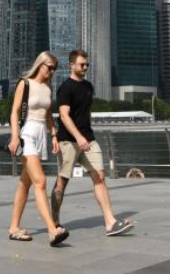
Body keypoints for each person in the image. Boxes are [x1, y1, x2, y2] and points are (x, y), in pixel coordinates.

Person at [51, 50, 135, 236]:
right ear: (71, 65)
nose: (85, 67)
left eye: (87, 64)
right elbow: (63, 115)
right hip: (68, 141)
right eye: (82, 64)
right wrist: (78, 137)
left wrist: (86, 134)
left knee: (99, 176)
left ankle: (110, 222)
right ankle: (54, 222)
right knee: (62, 182)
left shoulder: (88, 86)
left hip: (88, 139)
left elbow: (86, 111)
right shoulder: (65, 88)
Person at [7, 51, 70, 247]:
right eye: (48, 67)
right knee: (40, 181)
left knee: (25, 183)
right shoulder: (24, 83)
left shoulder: (47, 87)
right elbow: (15, 111)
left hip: (41, 133)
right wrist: (15, 136)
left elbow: (48, 114)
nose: (51, 71)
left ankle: (13, 228)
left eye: (54, 69)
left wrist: (53, 135)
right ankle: (52, 230)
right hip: (27, 133)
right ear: (40, 64)